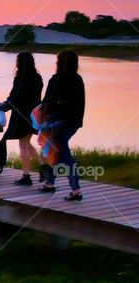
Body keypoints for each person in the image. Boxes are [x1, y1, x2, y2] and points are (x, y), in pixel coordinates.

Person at [38, 50, 86, 201]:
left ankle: (76, 190)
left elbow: (47, 102)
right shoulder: (78, 79)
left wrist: (43, 118)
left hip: (56, 122)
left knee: (64, 154)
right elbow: (79, 103)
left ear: (60, 62)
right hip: (73, 122)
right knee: (57, 152)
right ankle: (50, 183)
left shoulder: (57, 79)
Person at [1, 52, 44, 186]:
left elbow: (15, 96)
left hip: (22, 114)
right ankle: (44, 169)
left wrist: (5, 105)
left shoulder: (20, 78)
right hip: (34, 114)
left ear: (19, 63)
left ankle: (26, 176)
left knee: (23, 144)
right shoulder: (37, 77)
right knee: (27, 142)